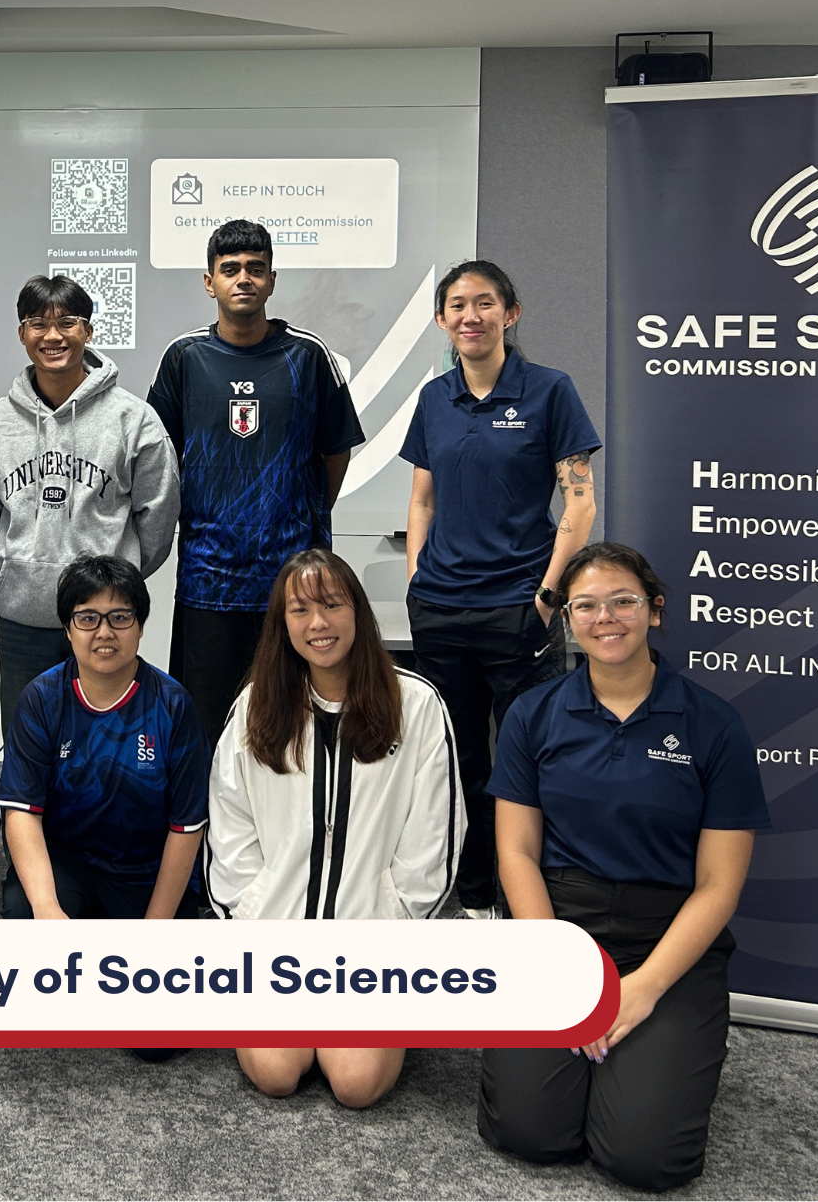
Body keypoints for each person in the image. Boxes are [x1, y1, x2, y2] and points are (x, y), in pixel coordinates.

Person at [479, 542, 768, 1193]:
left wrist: (641, 988)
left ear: (654, 610)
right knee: (532, 1132)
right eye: (586, 605)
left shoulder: (714, 726)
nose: (605, 618)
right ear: (567, 618)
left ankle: (644, 1052)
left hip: (664, 940)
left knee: (643, 1159)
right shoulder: (534, 714)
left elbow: (720, 885)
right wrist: (557, 966)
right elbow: (516, 853)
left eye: (623, 602)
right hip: (557, 928)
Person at [208, 548, 463, 1111]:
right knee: (277, 1072)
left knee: (357, 1083)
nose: (317, 623)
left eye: (331, 605)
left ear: (358, 612)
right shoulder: (256, 707)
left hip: (372, 944)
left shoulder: (415, 705)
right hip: (275, 939)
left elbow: (433, 838)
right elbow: (230, 831)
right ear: (283, 625)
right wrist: (256, 923)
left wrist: (389, 931)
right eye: (300, 610)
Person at [401, 260, 599, 916]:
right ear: (441, 319)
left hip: (520, 610)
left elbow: (580, 508)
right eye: (457, 305)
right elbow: (422, 501)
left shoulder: (549, 391)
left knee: (526, 766)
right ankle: (471, 899)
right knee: (454, 770)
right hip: (442, 611)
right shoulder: (434, 399)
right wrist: (415, 587)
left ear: (509, 314)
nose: (470, 316)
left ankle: (524, 909)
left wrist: (545, 600)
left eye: (484, 303)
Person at [147, 220, 364, 749]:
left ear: (271, 280)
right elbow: (159, 456)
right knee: (209, 727)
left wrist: (302, 512)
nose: (243, 279)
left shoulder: (309, 357)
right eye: (230, 270)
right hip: (209, 577)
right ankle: (207, 833)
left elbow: (335, 451)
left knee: (294, 721)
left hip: (294, 580)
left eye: (254, 269)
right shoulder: (184, 357)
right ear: (209, 282)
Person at [0, 275, 179, 741]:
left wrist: (121, 577)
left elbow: (158, 514)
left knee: (107, 746)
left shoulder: (133, 419)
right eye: (37, 323)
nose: (53, 335)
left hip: (106, 618)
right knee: (30, 747)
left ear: (89, 331)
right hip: (22, 616)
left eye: (67, 322)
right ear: (22, 334)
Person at [0, 556, 208, 927]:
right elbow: (21, 811)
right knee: (26, 911)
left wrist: (153, 927)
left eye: (121, 617)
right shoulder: (42, 698)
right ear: (68, 628)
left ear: (140, 626)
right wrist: (47, 910)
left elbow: (186, 826)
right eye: (87, 618)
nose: (105, 632)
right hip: (68, 862)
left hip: (147, 871)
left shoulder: (173, 705)